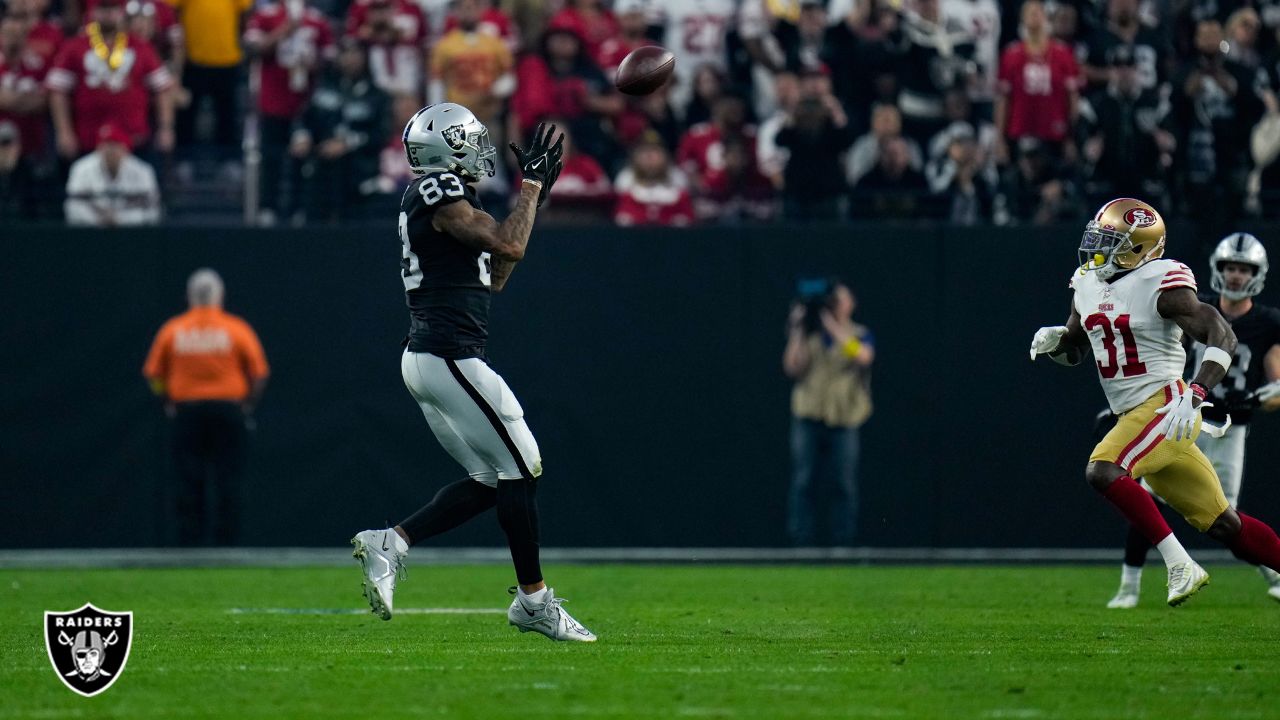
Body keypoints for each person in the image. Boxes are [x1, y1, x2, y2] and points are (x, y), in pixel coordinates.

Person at [349, 104, 596, 643]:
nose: (481, 148)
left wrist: (534, 198)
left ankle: (390, 542)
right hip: (447, 355)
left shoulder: (451, 196)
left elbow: (499, 273)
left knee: (494, 479)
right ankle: (534, 601)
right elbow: (509, 243)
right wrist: (529, 190)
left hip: (435, 357)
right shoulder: (436, 188)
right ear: (446, 146)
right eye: (471, 138)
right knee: (523, 465)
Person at [1030, 198, 1280, 606]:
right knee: (1224, 525)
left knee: (1103, 469)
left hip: (1165, 404)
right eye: (1098, 235)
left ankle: (1180, 565)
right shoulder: (1086, 282)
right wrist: (1055, 341)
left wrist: (1196, 391)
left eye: (1110, 239)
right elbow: (1076, 347)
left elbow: (1224, 338)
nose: (1097, 245)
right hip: (1133, 411)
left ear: (1139, 247)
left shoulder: (1162, 280)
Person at [1106, 233, 1280, 607]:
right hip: (1176, 414)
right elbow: (1163, 358)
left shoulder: (1268, 323)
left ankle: (1273, 572)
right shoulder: (1190, 307)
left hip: (1229, 427)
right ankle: (1129, 586)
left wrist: (1256, 399)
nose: (1235, 276)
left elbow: (1277, 382)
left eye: (1243, 269)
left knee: (1224, 519)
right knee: (1145, 495)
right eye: (1230, 268)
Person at [143, 268, 270, 546]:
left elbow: (153, 375)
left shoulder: (174, 330)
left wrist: (167, 402)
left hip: (187, 412)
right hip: (228, 412)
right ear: (220, 296)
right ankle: (228, 546)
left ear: (189, 296)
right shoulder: (236, 329)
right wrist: (246, 405)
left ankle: (190, 546)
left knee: (188, 481)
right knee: (230, 481)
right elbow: (259, 373)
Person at [783, 278, 874, 546]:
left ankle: (843, 543)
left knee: (843, 483)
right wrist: (798, 329)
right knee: (803, 481)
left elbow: (863, 356)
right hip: (809, 413)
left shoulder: (858, 333)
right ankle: (802, 542)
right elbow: (792, 368)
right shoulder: (808, 334)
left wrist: (833, 327)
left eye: (839, 300)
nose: (834, 305)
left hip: (844, 417)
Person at [65, 123, 162, 225]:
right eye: (106, 144)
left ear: (125, 148)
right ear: (99, 148)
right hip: (90, 234)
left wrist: (120, 219)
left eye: (115, 144)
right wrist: (99, 220)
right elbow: (72, 207)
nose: (110, 150)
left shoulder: (143, 171)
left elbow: (153, 210)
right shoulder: (80, 168)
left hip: (133, 234)